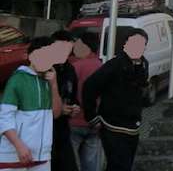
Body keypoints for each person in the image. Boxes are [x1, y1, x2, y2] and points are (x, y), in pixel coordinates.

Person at [82, 28, 149, 171]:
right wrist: (92, 116)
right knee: (118, 166)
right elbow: (90, 86)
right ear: (125, 44)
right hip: (112, 125)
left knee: (125, 165)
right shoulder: (114, 64)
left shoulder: (143, 64)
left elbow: (140, 87)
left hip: (132, 126)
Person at [0, 36, 67, 171]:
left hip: (42, 156)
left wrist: (54, 86)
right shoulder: (17, 79)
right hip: (14, 155)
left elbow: (56, 113)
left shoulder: (49, 80)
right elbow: (4, 117)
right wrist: (19, 146)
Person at [68, 33, 103, 171]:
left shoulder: (75, 67)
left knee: (69, 162)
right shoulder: (102, 66)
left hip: (74, 120)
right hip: (95, 122)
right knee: (91, 164)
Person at [48, 32, 78, 171]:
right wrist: (57, 108)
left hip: (63, 130)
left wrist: (75, 107)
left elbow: (73, 95)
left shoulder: (70, 69)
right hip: (46, 131)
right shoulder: (44, 69)